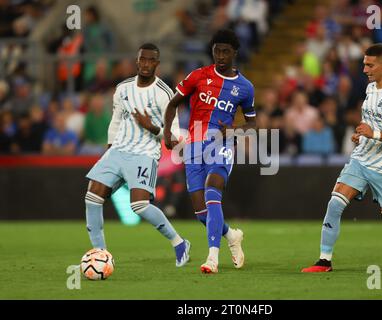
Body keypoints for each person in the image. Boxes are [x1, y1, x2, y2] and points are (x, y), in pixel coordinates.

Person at [302, 43, 382, 273]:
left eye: (369, 65)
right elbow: (371, 123)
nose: (364, 69)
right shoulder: (370, 89)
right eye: (363, 64)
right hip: (361, 159)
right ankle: (324, 261)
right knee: (335, 203)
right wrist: (362, 135)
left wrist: (375, 134)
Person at [84, 43, 191, 267]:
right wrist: (110, 148)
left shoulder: (166, 95)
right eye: (142, 59)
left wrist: (151, 127)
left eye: (151, 60)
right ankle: (100, 255)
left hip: (144, 153)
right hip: (118, 150)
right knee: (92, 197)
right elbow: (115, 121)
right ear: (137, 61)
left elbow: (172, 139)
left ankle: (179, 242)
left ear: (157, 64)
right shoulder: (122, 88)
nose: (145, 64)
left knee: (139, 206)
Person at [163, 29, 256, 274]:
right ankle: (231, 235)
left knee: (213, 188)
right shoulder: (198, 76)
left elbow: (252, 123)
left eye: (226, 51)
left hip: (221, 143)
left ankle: (212, 258)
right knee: (201, 212)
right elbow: (172, 104)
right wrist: (167, 133)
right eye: (217, 50)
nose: (221, 55)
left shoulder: (245, 87)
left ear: (235, 52)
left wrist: (234, 130)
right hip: (194, 144)